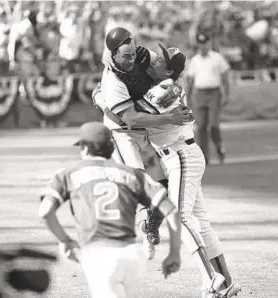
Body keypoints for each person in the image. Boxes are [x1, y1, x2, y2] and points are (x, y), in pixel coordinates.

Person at [141, 44, 241, 298]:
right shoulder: (170, 83)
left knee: (179, 217)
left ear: (167, 70)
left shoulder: (166, 90)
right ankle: (226, 282)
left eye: (160, 60)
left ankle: (212, 279)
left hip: (181, 156)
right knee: (201, 223)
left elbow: (133, 115)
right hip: (181, 155)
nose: (154, 61)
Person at [38, 121, 182, 298]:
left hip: (100, 257)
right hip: (132, 257)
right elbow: (171, 210)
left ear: (84, 148)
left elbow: (45, 211)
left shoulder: (68, 175)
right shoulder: (133, 174)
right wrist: (174, 253)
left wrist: (65, 241)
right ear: (111, 147)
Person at [95, 27, 192, 260]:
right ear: (114, 55)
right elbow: (130, 118)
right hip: (122, 132)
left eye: (131, 54)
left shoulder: (147, 61)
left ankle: (149, 227)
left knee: (162, 188)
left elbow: (163, 75)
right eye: (124, 56)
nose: (130, 60)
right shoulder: (113, 79)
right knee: (138, 181)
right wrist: (102, 98)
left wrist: (99, 99)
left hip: (144, 131)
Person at [186, 33, 230, 165]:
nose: (203, 47)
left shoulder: (216, 58)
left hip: (214, 93)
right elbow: (190, 80)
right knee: (201, 127)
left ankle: (219, 146)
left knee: (213, 125)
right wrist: (187, 98)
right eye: (200, 44)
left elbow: (225, 77)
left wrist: (226, 94)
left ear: (208, 44)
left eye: (205, 43)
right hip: (200, 93)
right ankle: (204, 155)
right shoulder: (195, 60)